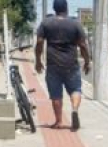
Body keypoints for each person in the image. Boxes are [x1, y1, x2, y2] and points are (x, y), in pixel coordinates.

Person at [35, 0, 90, 130]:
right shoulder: (75, 24)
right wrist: (87, 61)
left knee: (55, 95)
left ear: (54, 8)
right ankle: (75, 109)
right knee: (75, 89)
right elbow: (82, 45)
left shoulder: (46, 23)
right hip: (71, 64)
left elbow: (39, 42)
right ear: (66, 8)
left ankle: (59, 121)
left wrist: (38, 60)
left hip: (53, 65)